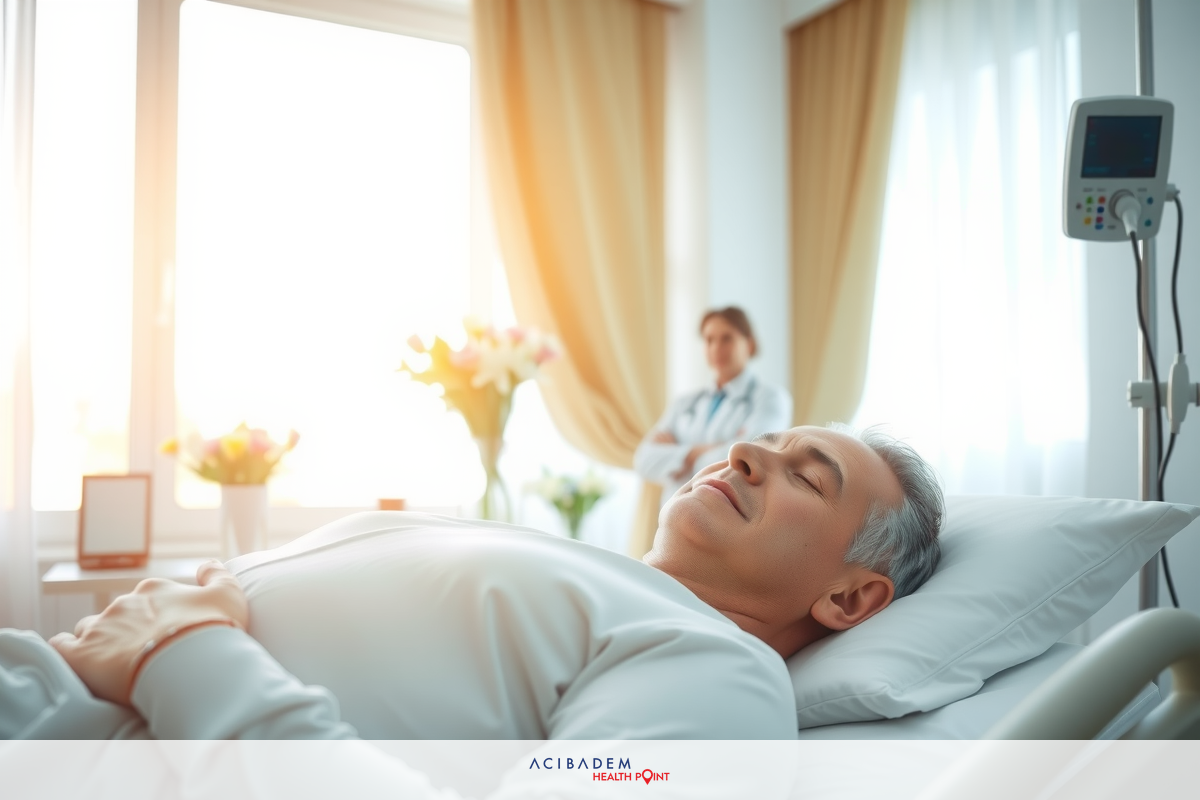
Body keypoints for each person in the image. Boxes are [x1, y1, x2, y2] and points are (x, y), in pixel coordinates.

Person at [12, 424, 942, 743]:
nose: (744, 451)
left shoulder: (719, 677)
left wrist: (189, 654)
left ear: (851, 598)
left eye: (804, 474)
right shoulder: (583, 572)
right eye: (763, 445)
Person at [634, 307, 793, 503]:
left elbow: (748, 458)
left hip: (728, 513)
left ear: (749, 344)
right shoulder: (684, 403)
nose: (717, 347)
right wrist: (699, 452)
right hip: (675, 512)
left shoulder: (771, 398)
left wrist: (676, 454)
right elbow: (643, 461)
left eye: (727, 338)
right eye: (709, 339)